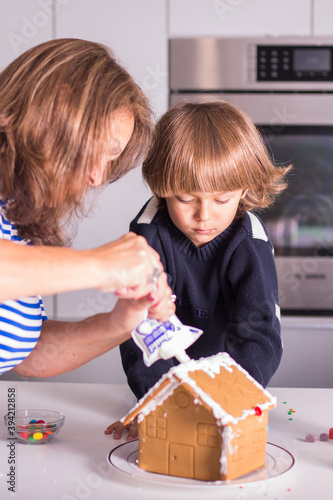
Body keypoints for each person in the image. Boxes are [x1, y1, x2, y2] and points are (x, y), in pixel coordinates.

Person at [106, 100, 292, 440]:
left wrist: (230, 403)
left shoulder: (250, 244)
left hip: (232, 374)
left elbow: (259, 334)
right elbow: (140, 329)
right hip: (162, 374)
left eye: (221, 200)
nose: (204, 216)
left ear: (246, 188)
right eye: (186, 199)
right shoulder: (147, 236)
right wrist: (155, 403)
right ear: (162, 189)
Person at [0, 38, 175, 377]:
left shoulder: (15, 220)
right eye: (101, 148)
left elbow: (28, 355)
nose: (98, 178)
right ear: (57, 104)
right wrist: (103, 265)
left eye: (111, 161)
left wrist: (122, 321)